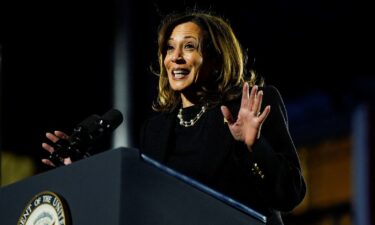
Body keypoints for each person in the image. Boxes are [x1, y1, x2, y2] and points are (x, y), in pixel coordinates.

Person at [42, 10, 306, 225]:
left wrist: (253, 147)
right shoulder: (155, 130)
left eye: (189, 47)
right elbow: (140, 203)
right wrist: (84, 172)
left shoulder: (250, 106)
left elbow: (290, 195)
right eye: (169, 49)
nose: (175, 58)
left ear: (216, 59)